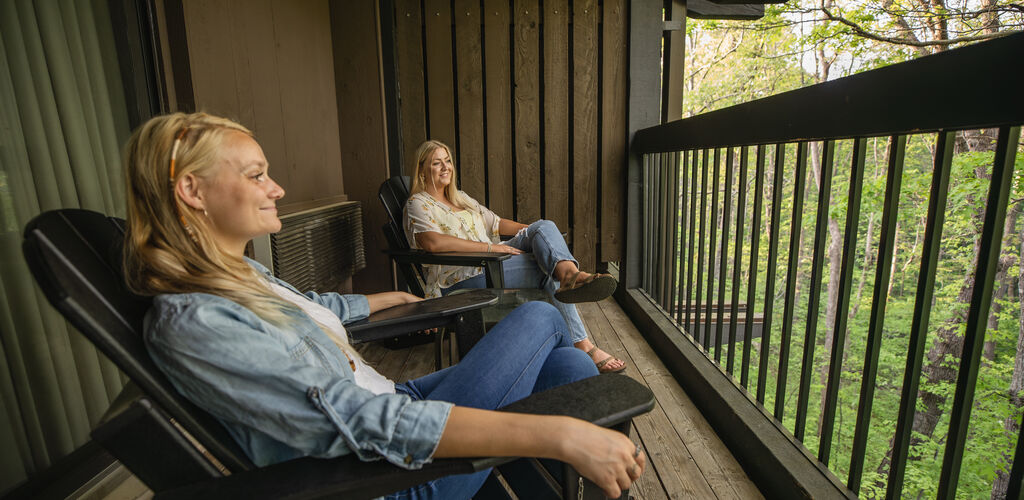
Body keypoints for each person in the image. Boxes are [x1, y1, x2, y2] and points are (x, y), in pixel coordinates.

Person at [122, 112, 645, 499]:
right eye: (256, 175)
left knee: (568, 364)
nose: (276, 187)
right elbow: (362, 420)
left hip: (392, 398)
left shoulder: (242, 274)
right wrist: (560, 436)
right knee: (541, 315)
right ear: (192, 189)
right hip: (388, 478)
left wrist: (387, 296)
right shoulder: (199, 321)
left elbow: (312, 307)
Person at [404, 140, 627, 373]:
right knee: (544, 269)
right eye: (436, 163)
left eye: (447, 161)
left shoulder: (460, 198)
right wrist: (492, 249)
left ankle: (569, 276)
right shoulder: (418, 203)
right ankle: (582, 342)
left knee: (544, 227)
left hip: (491, 261)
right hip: (463, 275)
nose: (445, 167)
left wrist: (539, 234)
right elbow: (433, 242)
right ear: (421, 170)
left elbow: (497, 224)